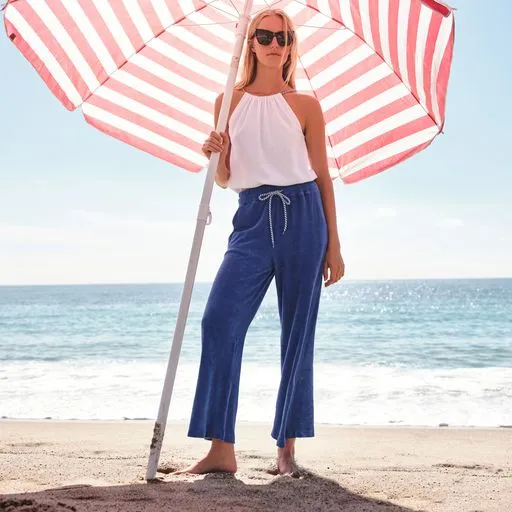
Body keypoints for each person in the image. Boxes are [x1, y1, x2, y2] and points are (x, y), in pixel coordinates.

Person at [176, 8, 345, 476]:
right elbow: (228, 179)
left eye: (284, 36)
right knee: (219, 321)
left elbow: (323, 177)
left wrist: (335, 245)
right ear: (249, 42)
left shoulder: (306, 105)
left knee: (297, 334)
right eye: (265, 35)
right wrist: (217, 153)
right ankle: (220, 449)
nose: (275, 42)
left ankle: (286, 450)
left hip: (304, 215)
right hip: (250, 217)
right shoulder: (226, 102)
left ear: (291, 46)